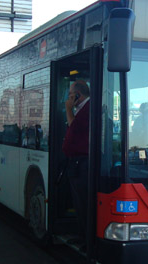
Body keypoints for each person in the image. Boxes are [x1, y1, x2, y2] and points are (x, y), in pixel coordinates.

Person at [62, 80, 90, 243]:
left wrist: (67, 109)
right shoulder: (81, 109)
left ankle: (85, 237)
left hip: (82, 162)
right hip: (76, 161)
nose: (69, 97)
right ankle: (81, 233)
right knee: (77, 201)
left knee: (82, 201)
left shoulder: (87, 109)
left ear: (78, 94)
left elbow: (74, 128)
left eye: (71, 94)